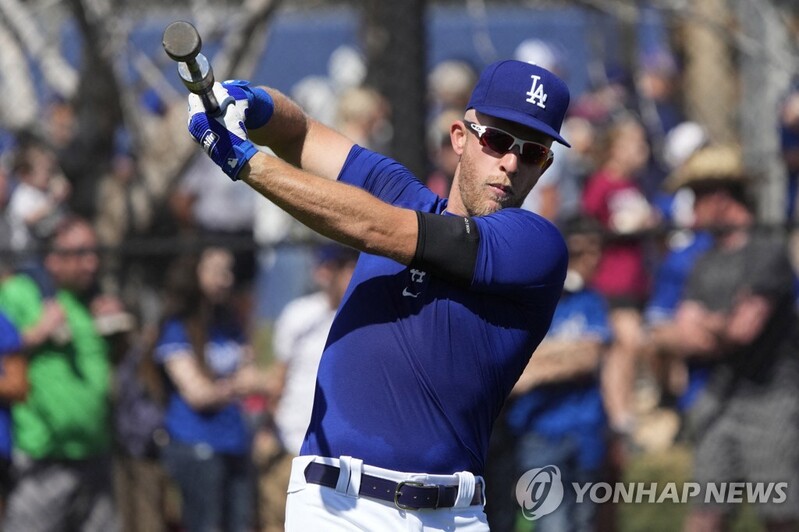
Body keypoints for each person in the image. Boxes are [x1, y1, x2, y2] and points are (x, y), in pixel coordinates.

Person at [185, 58, 571, 530]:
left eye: (532, 153)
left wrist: (246, 162)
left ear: (545, 165)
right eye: (497, 141)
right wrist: (252, 102)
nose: (511, 162)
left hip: (455, 515)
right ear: (459, 138)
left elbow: (375, 227)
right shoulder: (398, 190)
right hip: (338, 507)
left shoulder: (536, 246)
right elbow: (301, 133)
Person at [665, 146, 799, 531]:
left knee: (780, 515)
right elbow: (684, 333)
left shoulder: (767, 252)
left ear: (720, 197)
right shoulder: (703, 262)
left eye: (697, 199)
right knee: (706, 514)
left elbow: (744, 330)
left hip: (771, 402)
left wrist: (710, 326)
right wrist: (719, 324)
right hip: (717, 401)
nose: (692, 212)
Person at [0, 216, 121, 531]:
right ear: (52, 259)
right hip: (43, 460)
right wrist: (37, 332)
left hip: (96, 457)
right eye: (80, 254)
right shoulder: (18, 293)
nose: (91, 263)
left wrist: (118, 331)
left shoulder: (90, 302)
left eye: (95, 253)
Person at [507, 215, 612, 531]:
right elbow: (514, 360)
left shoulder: (591, 301)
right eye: (580, 252)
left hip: (586, 431)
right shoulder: (531, 302)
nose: (590, 262)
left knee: (583, 521)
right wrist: (567, 352)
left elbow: (590, 357)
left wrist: (538, 367)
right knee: (552, 524)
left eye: (595, 253)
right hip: (538, 433)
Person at [151, 247, 259, 532]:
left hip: (235, 440)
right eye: (217, 270)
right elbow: (197, 394)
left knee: (241, 524)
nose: (226, 278)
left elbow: (251, 369)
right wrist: (239, 385)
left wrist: (235, 385)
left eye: (229, 270)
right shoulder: (176, 328)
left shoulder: (232, 324)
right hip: (195, 443)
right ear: (194, 274)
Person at [256, 242, 358, 532]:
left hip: (338, 455)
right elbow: (279, 377)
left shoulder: (367, 320)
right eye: (347, 268)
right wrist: (268, 428)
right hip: (291, 444)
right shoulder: (299, 314)